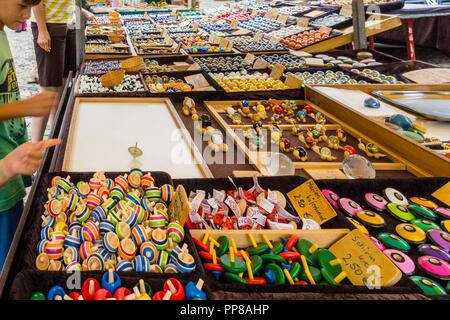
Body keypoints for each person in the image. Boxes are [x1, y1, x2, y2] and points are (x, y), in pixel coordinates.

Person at [0, 0, 61, 271]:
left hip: (8, 167)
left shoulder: (2, 32)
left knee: (13, 246)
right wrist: (23, 107)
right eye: (23, 5)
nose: (27, 16)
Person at [31, 0, 95, 143]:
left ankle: (55, 138)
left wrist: (81, 11)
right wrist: (42, 30)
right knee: (48, 89)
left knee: (62, 85)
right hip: (50, 25)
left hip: (69, 23)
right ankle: (34, 146)